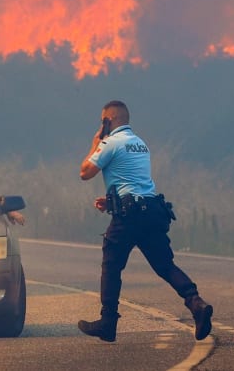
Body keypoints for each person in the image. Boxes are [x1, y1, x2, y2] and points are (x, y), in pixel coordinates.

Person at [77, 100, 213, 342]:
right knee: (165, 265)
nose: (101, 125)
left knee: (111, 265)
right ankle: (196, 303)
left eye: (103, 121)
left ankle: (108, 323)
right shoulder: (140, 144)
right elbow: (133, 182)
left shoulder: (109, 143)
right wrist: (111, 202)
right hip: (151, 210)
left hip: (129, 216)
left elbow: (85, 172)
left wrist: (94, 144)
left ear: (109, 120)